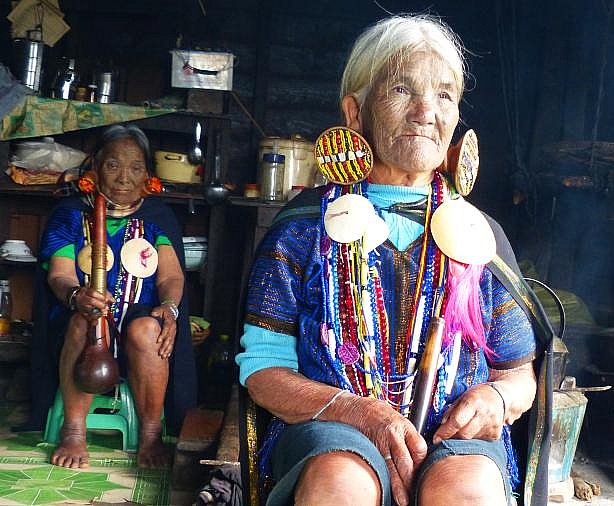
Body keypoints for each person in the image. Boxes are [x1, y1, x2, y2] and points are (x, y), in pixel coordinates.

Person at [237, 14, 540, 506]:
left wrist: (495, 398)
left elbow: (518, 374)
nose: (426, 111)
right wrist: (360, 413)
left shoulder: (478, 238)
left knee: (467, 492)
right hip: (332, 426)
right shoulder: (304, 230)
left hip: (452, 437)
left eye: (444, 95)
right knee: (340, 485)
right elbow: (263, 371)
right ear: (355, 112)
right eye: (402, 89)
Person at [38, 124, 195, 469]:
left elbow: (171, 277)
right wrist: (76, 296)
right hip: (79, 324)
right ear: (95, 168)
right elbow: (59, 274)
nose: (124, 177)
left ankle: (150, 434)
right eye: (113, 165)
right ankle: (73, 430)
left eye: (135, 167)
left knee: (147, 330)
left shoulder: (157, 218)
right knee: (85, 321)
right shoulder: (70, 214)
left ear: (147, 176)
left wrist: (169, 308)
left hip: (138, 320)